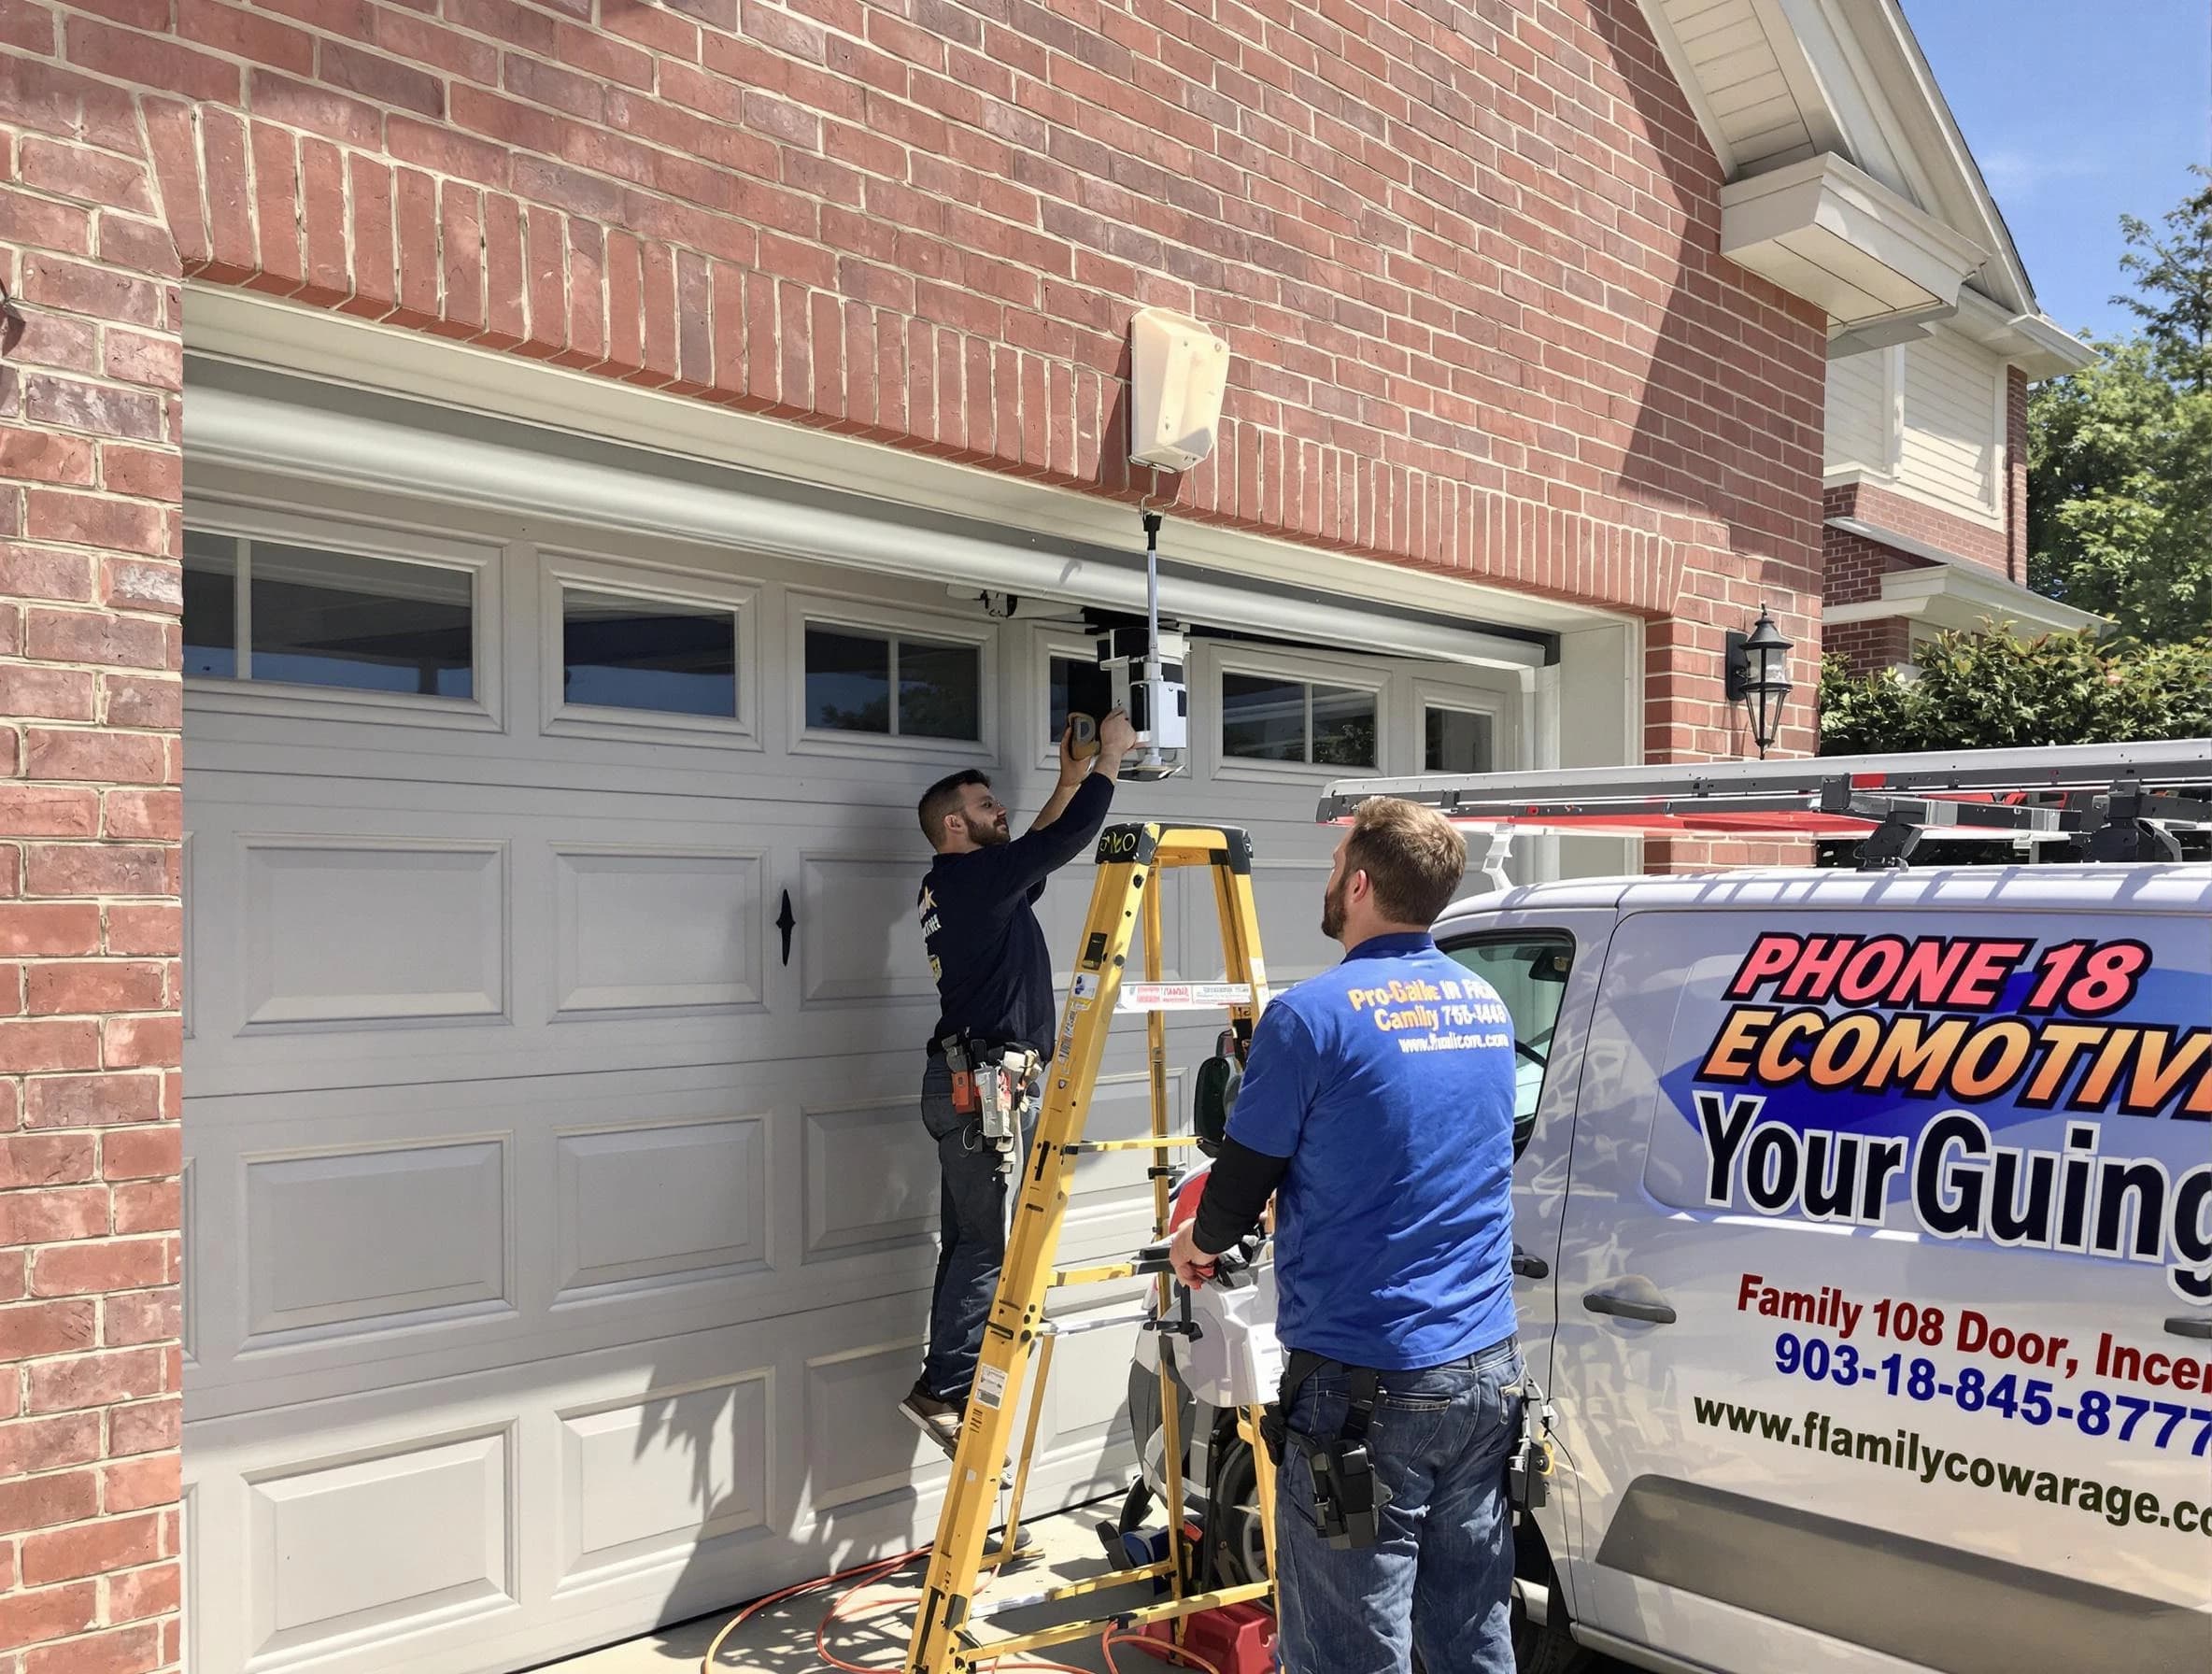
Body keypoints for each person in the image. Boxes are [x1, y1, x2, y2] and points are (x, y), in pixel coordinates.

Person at [1168, 797, 1522, 1674]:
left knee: (1348, 1650)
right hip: (1484, 1373)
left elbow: (1240, 1181)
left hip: (1368, 1388)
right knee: (1471, 1629)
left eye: (1334, 869)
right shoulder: (1484, 1004)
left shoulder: (1309, 1017)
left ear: (1360, 884)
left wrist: (1197, 1245)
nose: (1329, 882)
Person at [902, 708, 1138, 1446]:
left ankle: (943, 1381)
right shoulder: (973, 880)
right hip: (984, 1089)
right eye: (984, 805)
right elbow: (1061, 843)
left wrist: (1068, 780)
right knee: (987, 1245)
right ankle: (946, 1387)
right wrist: (1110, 761)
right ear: (955, 825)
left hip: (967, 1083)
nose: (998, 808)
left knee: (969, 1239)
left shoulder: (961, 885)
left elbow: (1033, 852)